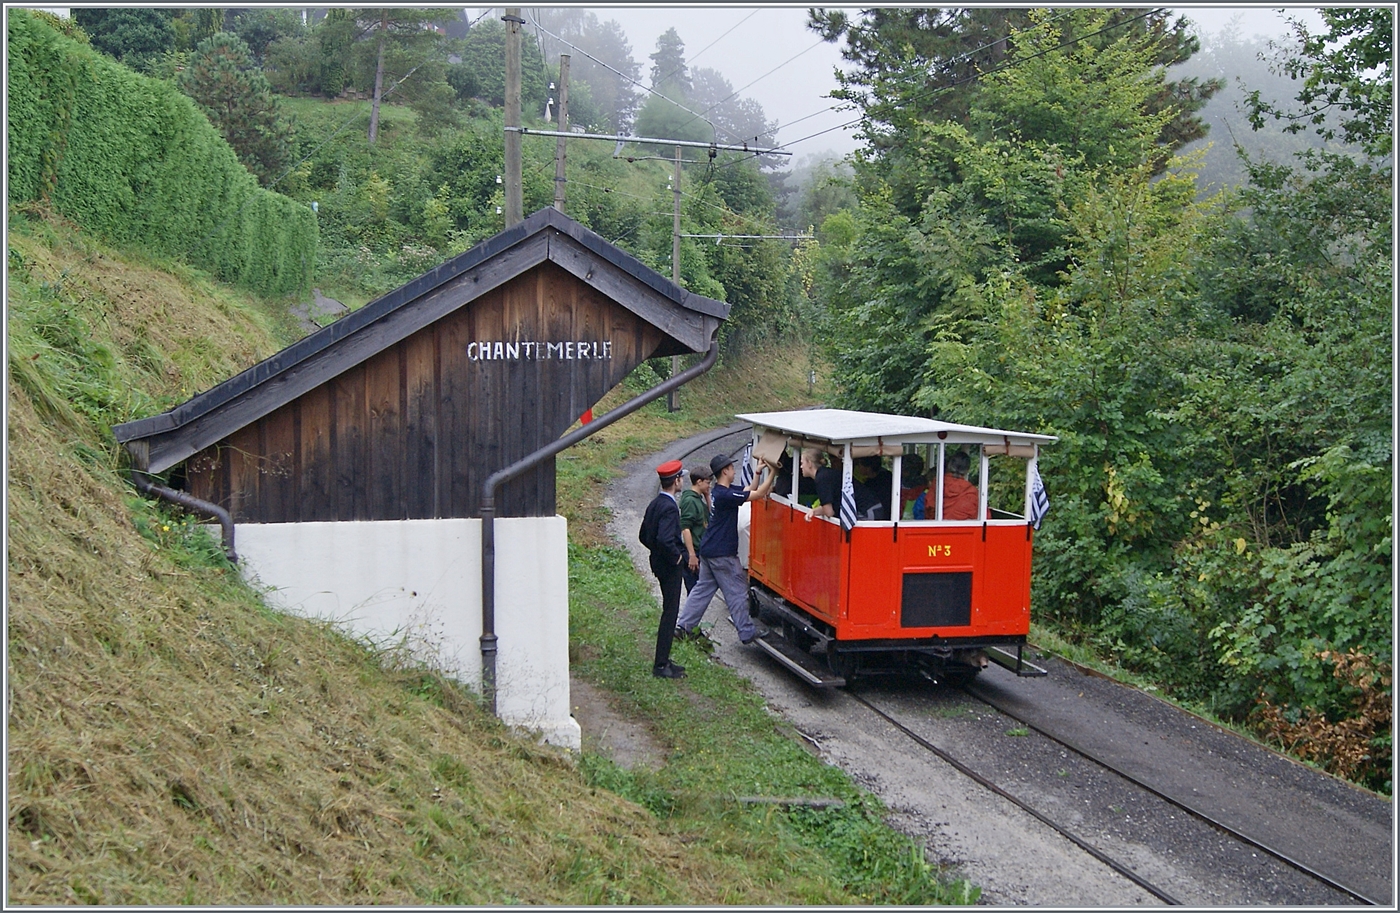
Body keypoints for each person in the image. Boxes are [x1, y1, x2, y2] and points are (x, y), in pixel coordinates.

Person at [674, 450, 776, 645]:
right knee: (737, 590)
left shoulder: (722, 493)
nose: (734, 471)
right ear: (725, 471)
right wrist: (773, 472)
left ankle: (684, 627)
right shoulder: (726, 495)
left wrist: (758, 474)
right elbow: (759, 494)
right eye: (731, 468)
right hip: (722, 553)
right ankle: (746, 632)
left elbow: (748, 491)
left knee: (702, 590)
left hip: (708, 550)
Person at [638, 460, 687, 678]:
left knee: (669, 610)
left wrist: (656, 552)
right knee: (670, 613)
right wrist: (676, 557)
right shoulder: (669, 507)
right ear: (676, 481)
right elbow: (665, 539)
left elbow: (644, 535)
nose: (682, 480)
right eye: (681, 478)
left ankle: (664, 658)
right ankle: (661, 665)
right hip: (669, 567)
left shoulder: (655, 504)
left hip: (658, 563)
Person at [914, 449, 980, 520]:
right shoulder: (972, 492)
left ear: (949, 466)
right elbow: (983, 517)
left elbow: (928, 509)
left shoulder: (937, 484)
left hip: (936, 529)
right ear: (967, 470)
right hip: (962, 530)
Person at [679, 463, 712, 594]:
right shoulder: (690, 501)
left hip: (700, 549)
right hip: (694, 551)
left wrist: (707, 496)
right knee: (694, 591)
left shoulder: (699, 499)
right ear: (699, 482)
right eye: (707, 483)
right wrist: (692, 555)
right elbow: (685, 528)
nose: (709, 486)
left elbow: (710, 515)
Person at [800, 448, 840, 520]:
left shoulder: (821, 479)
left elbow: (829, 512)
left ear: (809, 463)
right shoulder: (824, 474)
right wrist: (813, 511)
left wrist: (815, 511)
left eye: (802, 463)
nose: (801, 466)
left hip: (862, 511)